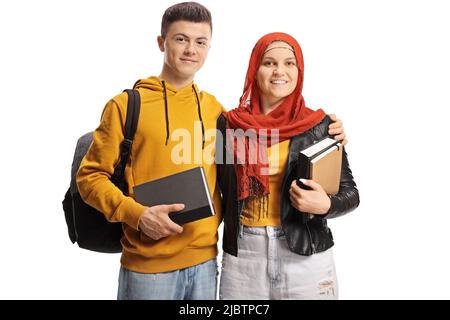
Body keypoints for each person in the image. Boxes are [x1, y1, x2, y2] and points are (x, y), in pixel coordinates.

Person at [76, 2, 346, 300]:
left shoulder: (216, 112)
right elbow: (89, 177)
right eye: (181, 39)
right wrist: (137, 215)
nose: (191, 49)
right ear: (161, 42)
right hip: (150, 267)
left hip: (206, 265)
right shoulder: (128, 106)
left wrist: (330, 137)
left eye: (200, 42)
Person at [216, 32, 360, 300]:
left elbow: (350, 194)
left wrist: (325, 206)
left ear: (299, 70)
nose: (279, 71)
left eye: (289, 63)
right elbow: (215, 188)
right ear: (254, 69)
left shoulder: (321, 126)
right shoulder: (229, 124)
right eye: (269, 62)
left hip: (306, 254)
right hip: (244, 256)